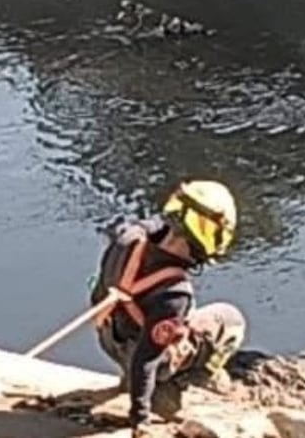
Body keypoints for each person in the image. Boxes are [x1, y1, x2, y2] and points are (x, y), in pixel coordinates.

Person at [88, 179, 247, 437]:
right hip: (138, 354)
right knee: (230, 319)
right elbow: (145, 361)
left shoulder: (127, 236)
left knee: (147, 328)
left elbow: (153, 224)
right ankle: (195, 378)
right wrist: (140, 418)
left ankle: (133, 371)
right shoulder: (174, 294)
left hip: (108, 336)